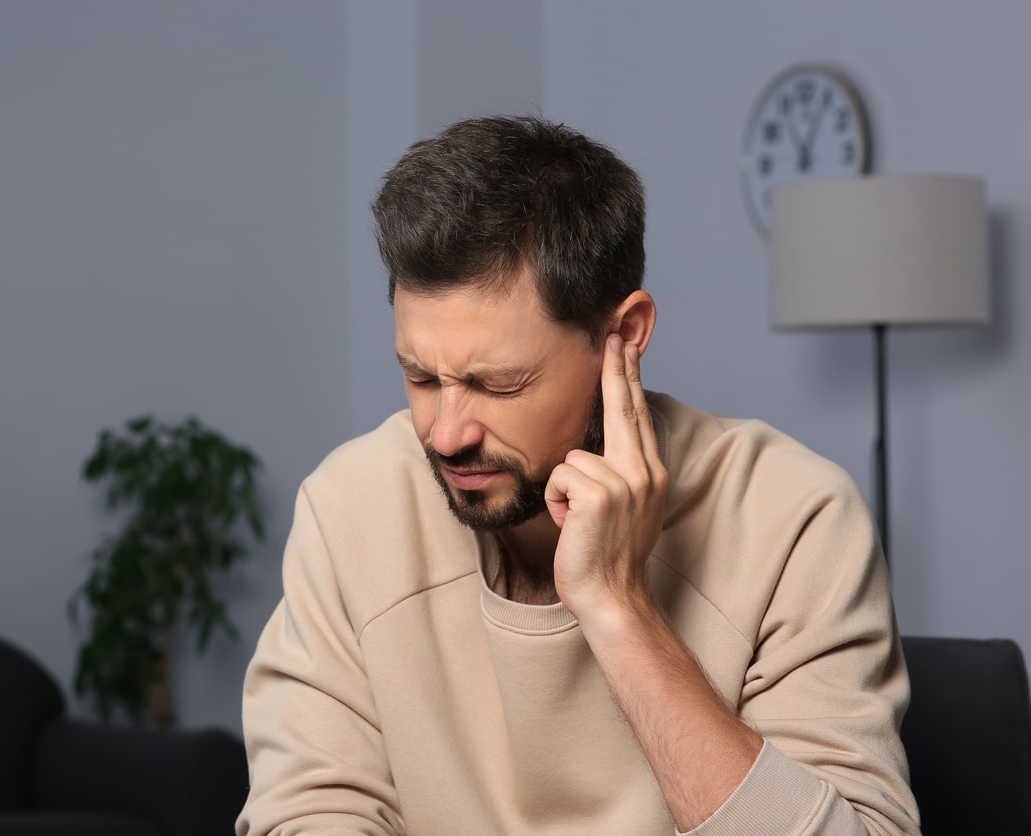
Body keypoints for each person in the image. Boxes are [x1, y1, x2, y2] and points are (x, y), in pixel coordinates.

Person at [237, 115, 920, 835]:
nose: (446, 434)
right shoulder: (353, 505)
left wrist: (617, 606)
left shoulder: (795, 519)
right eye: (419, 376)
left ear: (621, 337)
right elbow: (310, 811)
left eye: (498, 383)